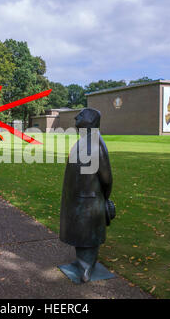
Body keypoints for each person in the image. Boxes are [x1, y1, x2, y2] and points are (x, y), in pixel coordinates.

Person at [59, 108, 114, 283]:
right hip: (77, 199)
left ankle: (87, 267)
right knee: (79, 231)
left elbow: (106, 178)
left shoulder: (96, 143)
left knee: (87, 232)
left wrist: (103, 199)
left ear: (91, 120)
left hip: (90, 200)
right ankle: (81, 263)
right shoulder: (83, 142)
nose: (76, 117)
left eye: (81, 115)